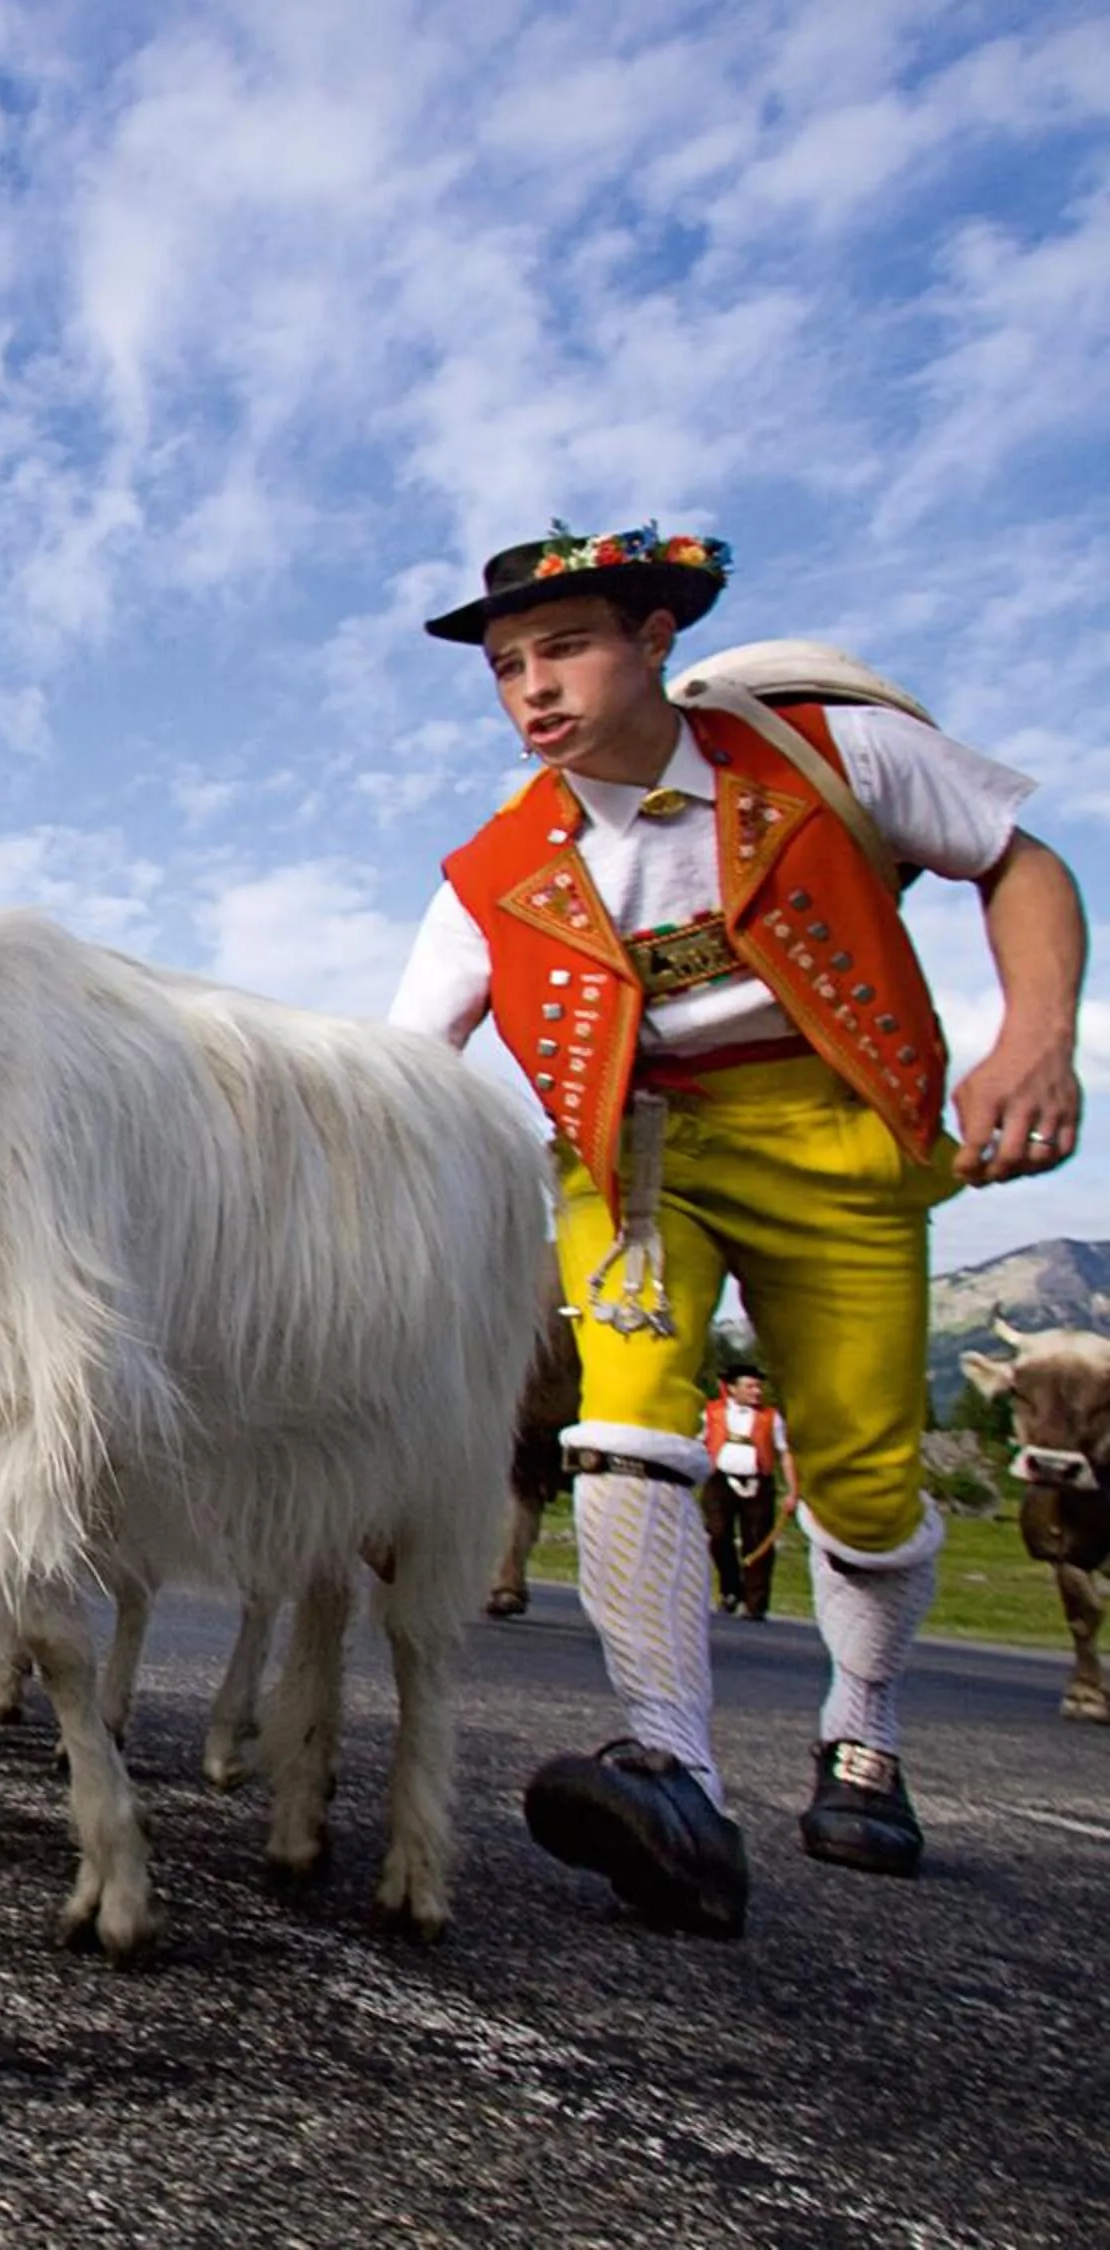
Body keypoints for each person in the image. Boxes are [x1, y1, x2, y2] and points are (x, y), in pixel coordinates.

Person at [390, 524, 1085, 1936]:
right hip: (632, 1153)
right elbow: (398, 1066)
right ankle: (673, 1764)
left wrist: (1039, 1037)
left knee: (870, 1472)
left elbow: (1021, 863)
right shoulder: (489, 870)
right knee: (624, 1412)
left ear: (657, 640)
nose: (530, 686)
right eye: (508, 664)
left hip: (835, 1129)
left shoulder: (833, 755)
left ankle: (864, 1731)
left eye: (565, 645)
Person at [698, 1363, 796, 1620]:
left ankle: (756, 1603)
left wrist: (793, 1491)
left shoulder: (771, 1417)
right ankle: (730, 1590)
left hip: (758, 1483)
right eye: (750, 1386)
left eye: (758, 1386)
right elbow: (696, 1443)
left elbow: (785, 1453)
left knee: (758, 1542)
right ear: (732, 1389)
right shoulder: (712, 1413)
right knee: (718, 1535)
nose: (757, 1391)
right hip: (720, 1481)